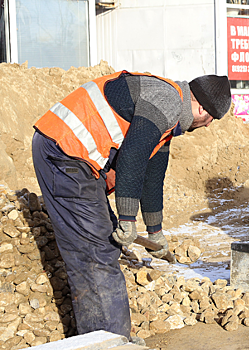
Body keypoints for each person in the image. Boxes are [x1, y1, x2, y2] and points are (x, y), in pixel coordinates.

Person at [31, 72, 231, 343]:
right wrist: (126, 218)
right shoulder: (166, 101)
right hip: (64, 151)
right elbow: (133, 156)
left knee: (102, 240)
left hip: (77, 156)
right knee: (97, 252)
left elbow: (152, 176)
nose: (208, 126)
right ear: (201, 108)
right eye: (211, 120)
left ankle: (106, 338)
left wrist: (155, 232)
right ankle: (107, 343)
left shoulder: (169, 116)